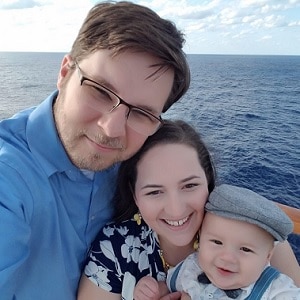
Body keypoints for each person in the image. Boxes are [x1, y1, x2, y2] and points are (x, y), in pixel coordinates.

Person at [0, 2, 190, 300]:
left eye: (140, 112)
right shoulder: (8, 178)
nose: (112, 128)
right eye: (100, 91)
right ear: (65, 72)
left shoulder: (139, 161)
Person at [77, 119, 216, 300]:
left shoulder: (242, 237)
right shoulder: (116, 247)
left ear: (208, 182)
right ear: (134, 195)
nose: (176, 210)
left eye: (189, 186)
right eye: (155, 192)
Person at [164, 184, 300, 299]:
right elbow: (169, 285)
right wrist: (155, 290)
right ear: (201, 239)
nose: (227, 258)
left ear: (267, 257)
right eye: (217, 242)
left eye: (245, 249)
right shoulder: (189, 268)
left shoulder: (276, 291)